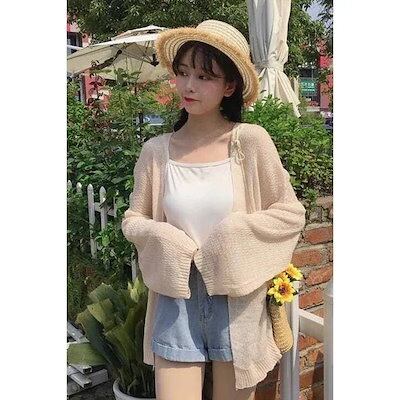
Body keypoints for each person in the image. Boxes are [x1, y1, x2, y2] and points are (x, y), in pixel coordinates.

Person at [121, 20, 306, 400]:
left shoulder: (249, 142)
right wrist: (163, 236)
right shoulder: (156, 151)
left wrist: (234, 235)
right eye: (183, 72)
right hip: (176, 297)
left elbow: (290, 213)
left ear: (230, 86)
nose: (188, 85)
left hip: (237, 300)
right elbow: (133, 220)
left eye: (204, 76)